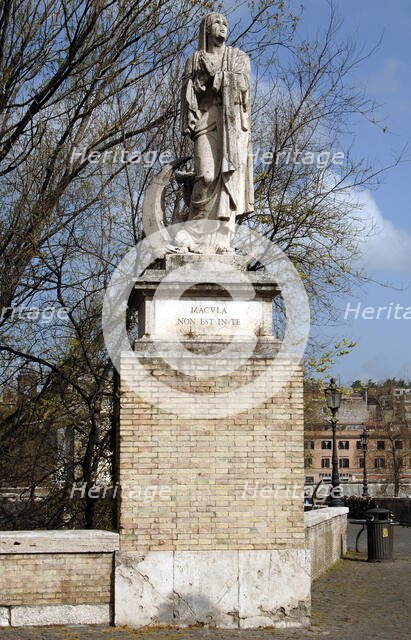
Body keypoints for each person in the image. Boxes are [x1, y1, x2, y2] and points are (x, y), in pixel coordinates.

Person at [176, 12, 254, 254]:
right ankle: (192, 232)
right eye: (217, 23)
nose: (222, 27)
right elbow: (188, 97)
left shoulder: (238, 57)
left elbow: (243, 87)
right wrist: (199, 82)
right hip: (205, 122)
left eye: (225, 24)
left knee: (227, 181)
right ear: (206, 29)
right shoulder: (195, 59)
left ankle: (221, 240)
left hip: (231, 129)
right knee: (207, 176)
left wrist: (217, 77)